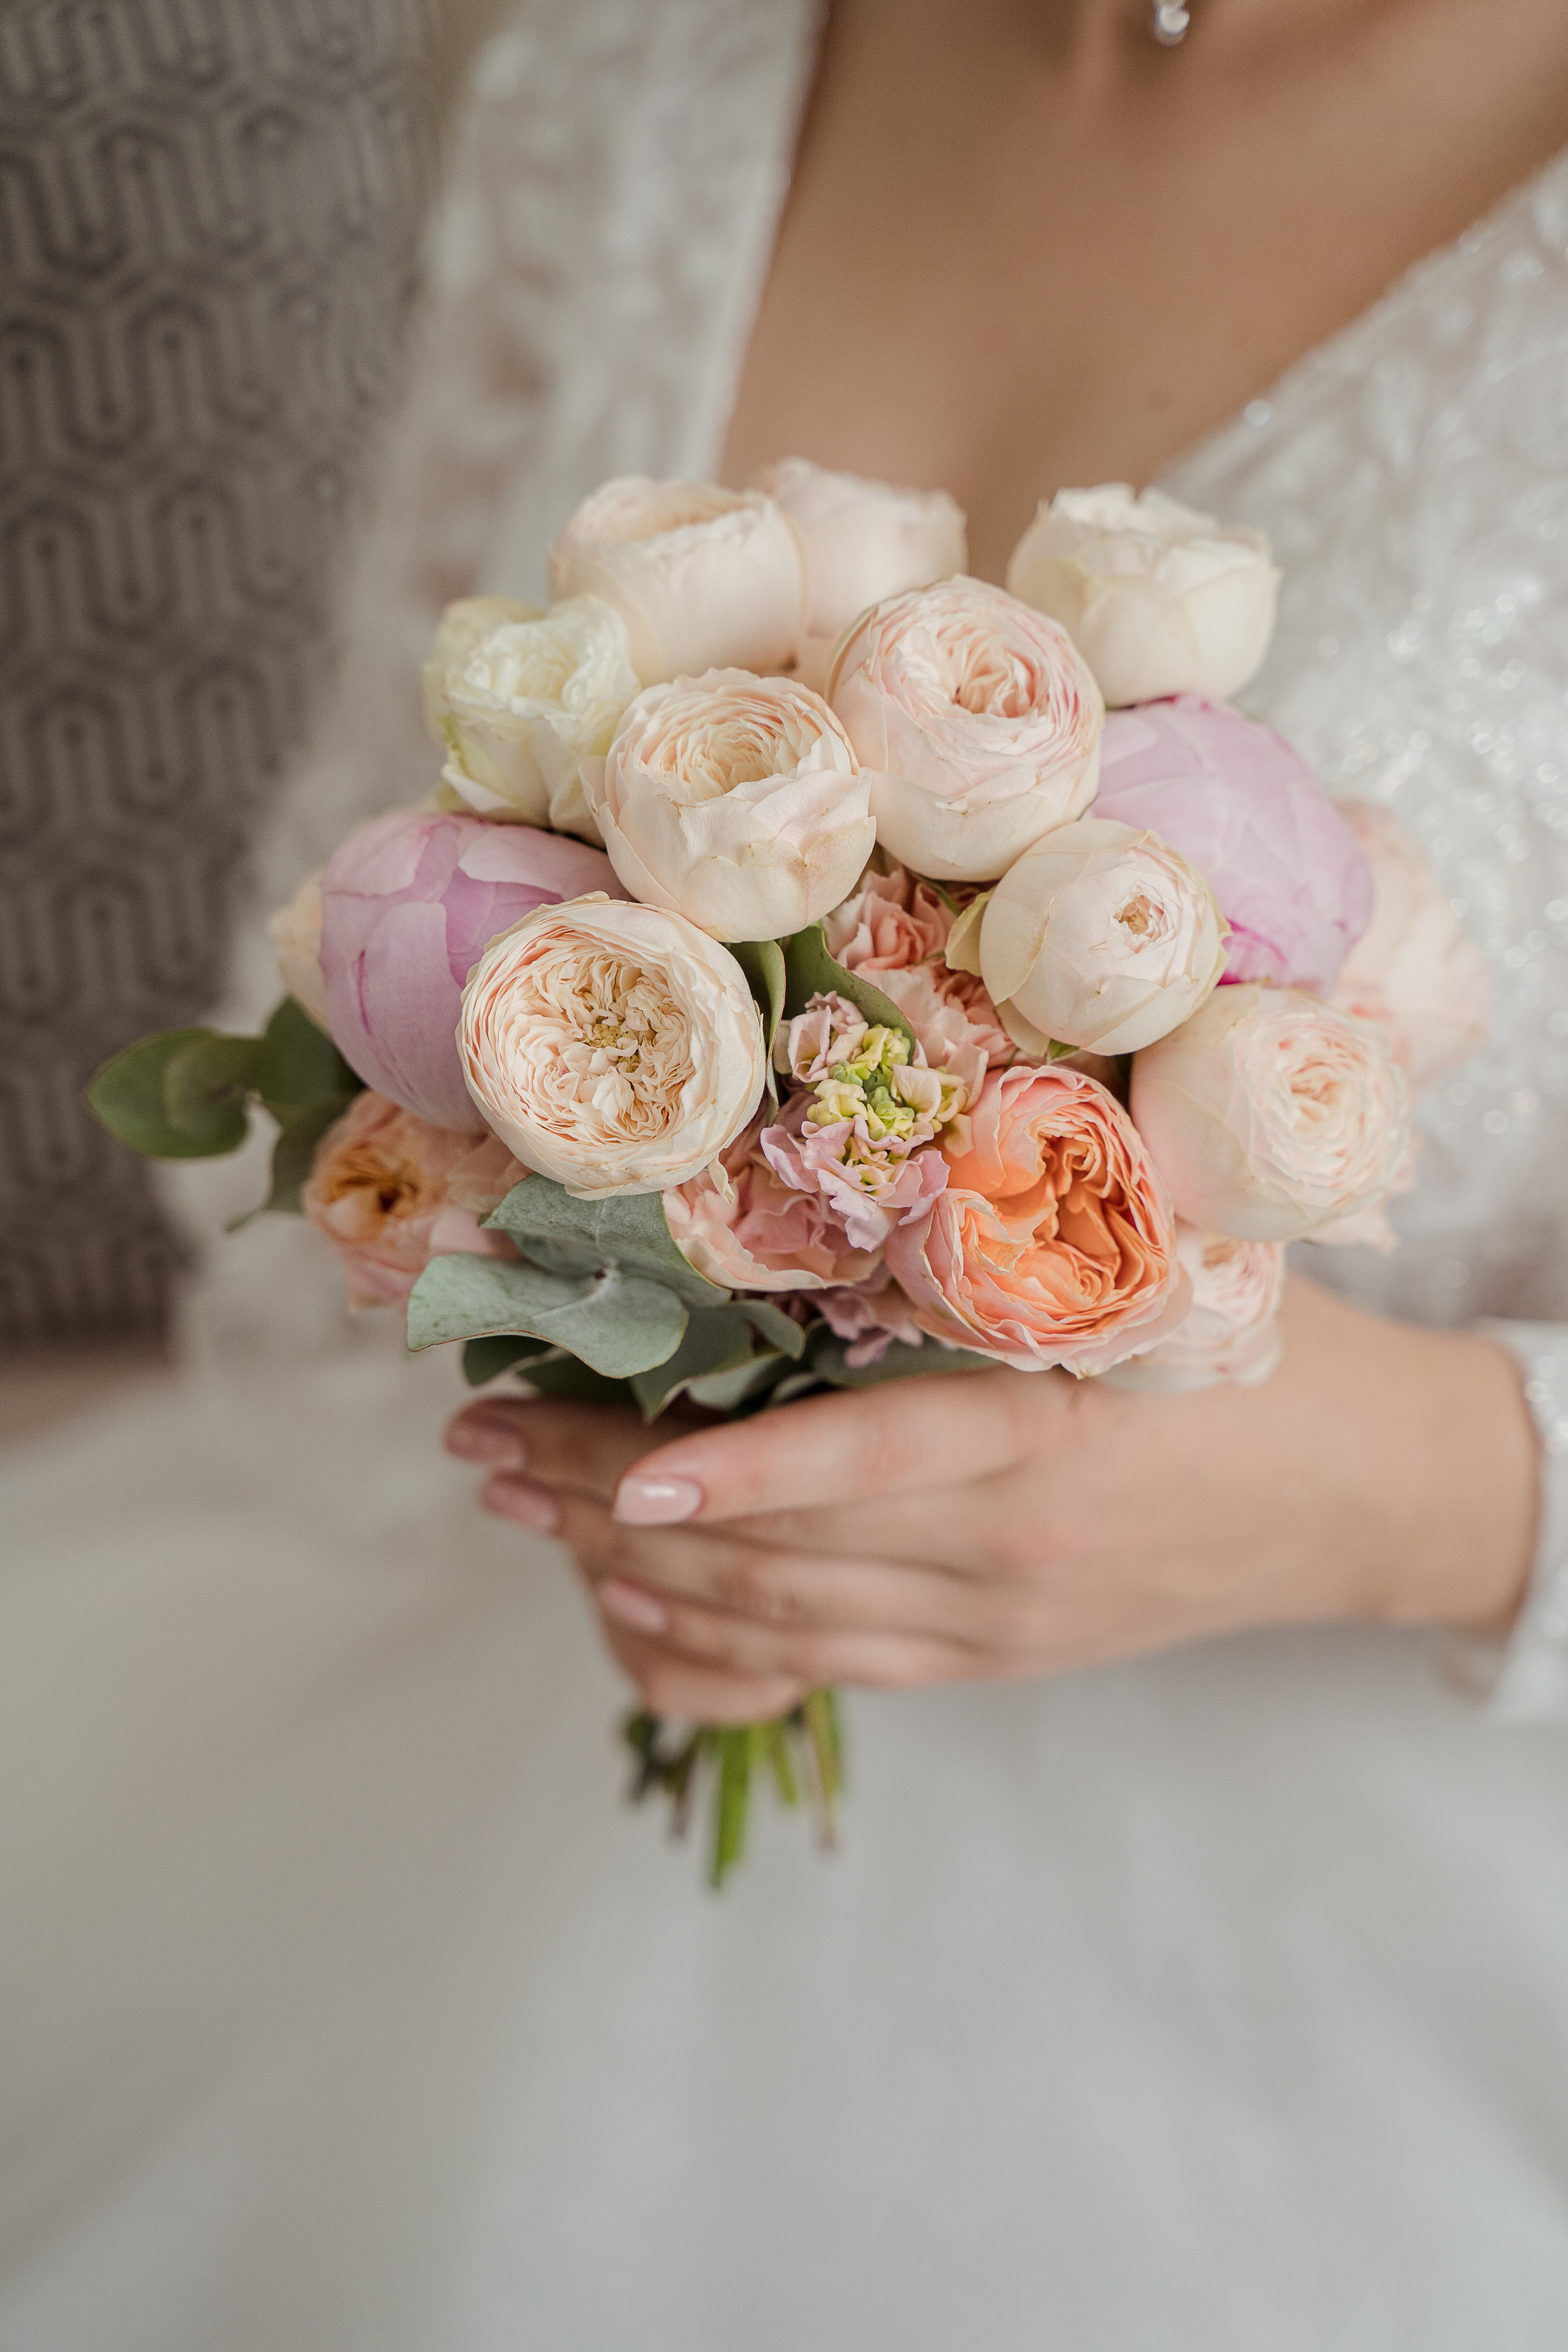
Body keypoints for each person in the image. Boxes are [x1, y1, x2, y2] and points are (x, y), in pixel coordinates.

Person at [5, 2, 1568, 2345]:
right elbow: (359, 944)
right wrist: (620, 1329)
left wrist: (1427, 1490)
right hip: (514, 1734)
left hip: (1367, 1888)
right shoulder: (643, 63)